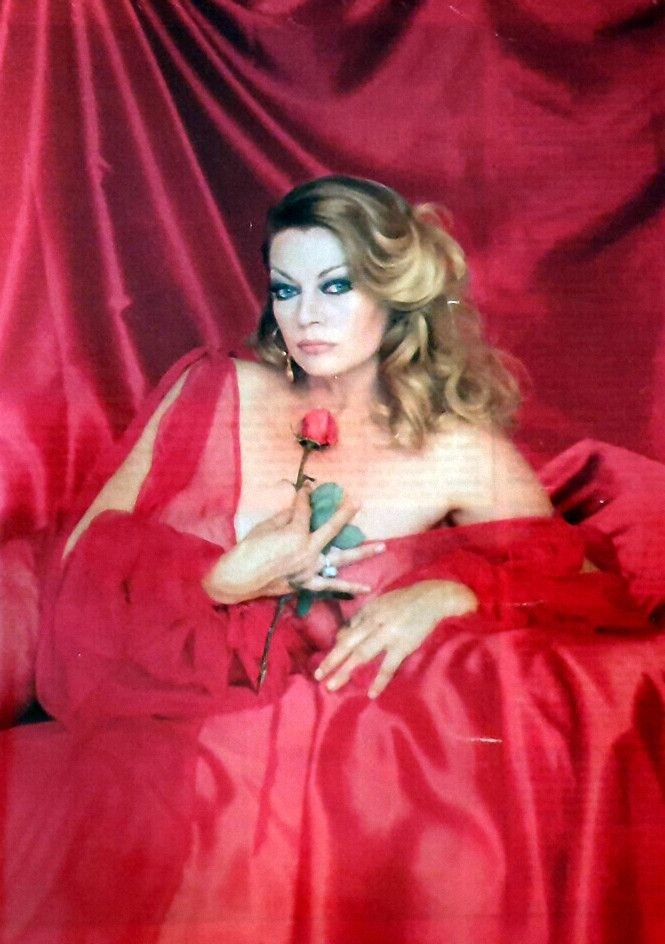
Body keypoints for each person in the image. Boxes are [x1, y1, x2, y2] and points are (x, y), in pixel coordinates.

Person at [1, 177, 660, 944]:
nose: (306, 315)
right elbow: (79, 572)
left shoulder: (458, 452)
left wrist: (456, 592)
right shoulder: (216, 388)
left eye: (336, 286)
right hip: (156, 734)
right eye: (286, 289)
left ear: (396, 292)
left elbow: (582, 588)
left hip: (328, 767)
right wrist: (220, 580)